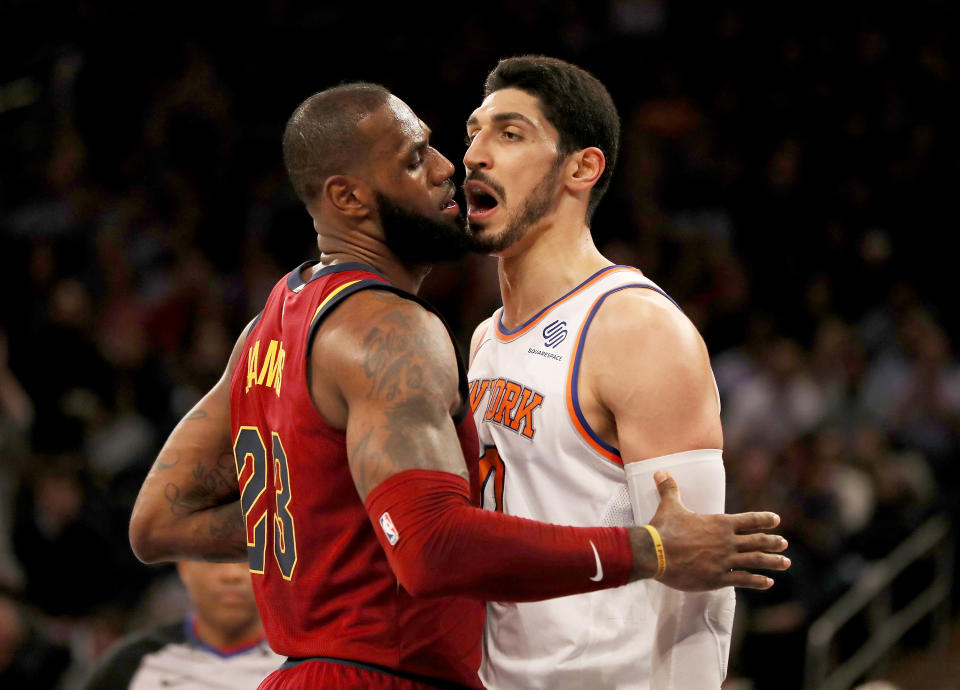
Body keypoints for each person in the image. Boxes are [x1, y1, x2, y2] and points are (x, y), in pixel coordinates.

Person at [128, 82, 789, 689]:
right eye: (417, 158)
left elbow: (159, 520)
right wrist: (648, 549)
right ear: (349, 197)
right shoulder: (391, 329)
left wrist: (339, 524)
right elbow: (433, 548)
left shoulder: (270, 324)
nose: (451, 165)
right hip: (381, 675)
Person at [463, 55, 751, 688]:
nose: (476, 154)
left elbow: (698, 581)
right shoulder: (486, 337)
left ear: (581, 168)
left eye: (509, 134)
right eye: (473, 133)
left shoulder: (635, 328)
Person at [83, 562, 281, 689]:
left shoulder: (304, 666)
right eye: (213, 558)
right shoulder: (131, 662)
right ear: (184, 568)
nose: (230, 574)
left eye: (246, 556)